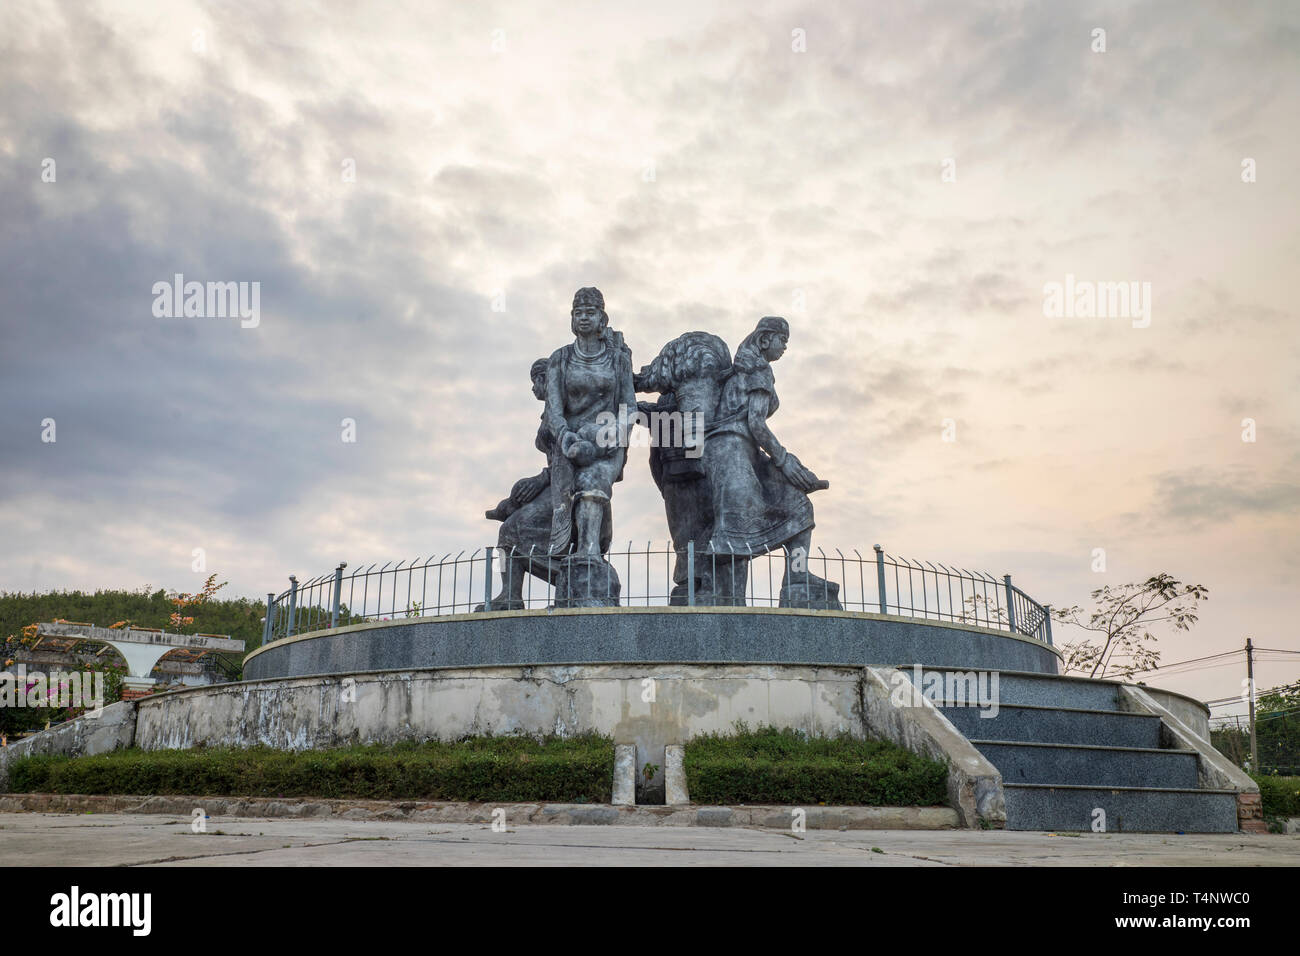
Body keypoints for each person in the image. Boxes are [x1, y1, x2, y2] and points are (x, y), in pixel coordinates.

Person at [543, 287, 636, 556]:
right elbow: (553, 410)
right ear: (572, 319)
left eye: (590, 313)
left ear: (602, 319)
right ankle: (571, 545)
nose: (584, 318)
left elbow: (629, 407)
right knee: (567, 493)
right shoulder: (560, 358)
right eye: (578, 313)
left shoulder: (618, 359)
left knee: (593, 479)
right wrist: (564, 436)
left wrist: (616, 432)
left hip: (607, 442)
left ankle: (589, 551)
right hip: (570, 443)